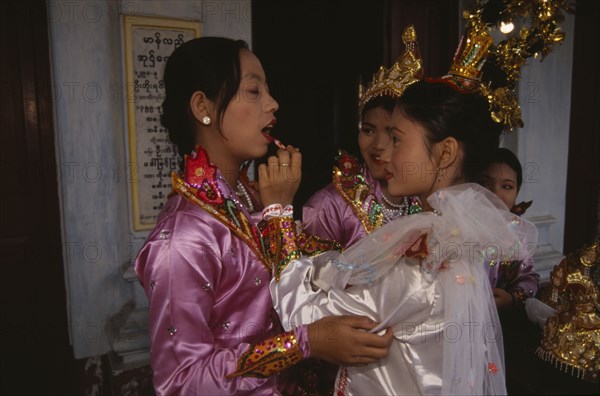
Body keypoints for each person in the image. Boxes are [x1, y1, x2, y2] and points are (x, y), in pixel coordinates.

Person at [265, 19, 544, 392]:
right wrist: (323, 266)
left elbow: (307, 318)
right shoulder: (454, 232)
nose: (384, 151)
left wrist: (277, 214)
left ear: (444, 152)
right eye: (373, 131)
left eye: (397, 139)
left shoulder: (425, 255)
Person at [133, 37, 393, 395]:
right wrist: (304, 344)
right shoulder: (183, 237)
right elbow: (182, 382)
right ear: (202, 106)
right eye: (254, 91)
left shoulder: (248, 199)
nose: (272, 104)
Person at [302, 26, 422, 248]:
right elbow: (309, 281)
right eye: (368, 130)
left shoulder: (426, 201)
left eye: (392, 135)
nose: (378, 145)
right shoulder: (327, 207)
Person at [477, 147, 540, 310]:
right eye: (485, 183)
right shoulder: (453, 226)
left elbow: (529, 278)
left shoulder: (517, 233)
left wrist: (512, 298)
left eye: (506, 186)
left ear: (516, 192)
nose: (495, 194)